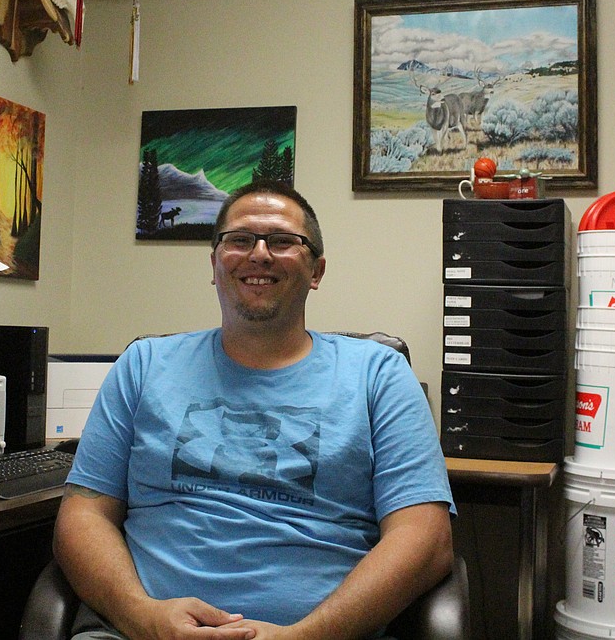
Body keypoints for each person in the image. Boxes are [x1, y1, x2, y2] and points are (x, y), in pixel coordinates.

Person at [54, 180, 455, 640]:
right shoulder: (144, 366)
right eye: (239, 240)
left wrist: (304, 636)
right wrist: (140, 616)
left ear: (317, 270)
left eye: (283, 241)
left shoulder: (378, 376)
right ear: (214, 264)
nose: (259, 254)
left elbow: (425, 537)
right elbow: (83, 515)